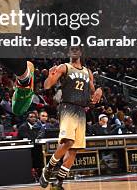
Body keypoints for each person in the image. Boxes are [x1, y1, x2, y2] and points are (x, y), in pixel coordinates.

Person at [40, 47, 102, 189]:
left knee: (74, 149)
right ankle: (48, 169)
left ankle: (59, 182)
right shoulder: (64, 67)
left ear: (81, 53)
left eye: (77, 49)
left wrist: (99, 91)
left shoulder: (88, 72)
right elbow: (47, 85)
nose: (74, 51)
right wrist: (50, 76)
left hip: (81, 110)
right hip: (67, 107)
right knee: (68, 142)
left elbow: (93, 97)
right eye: (71, 49)